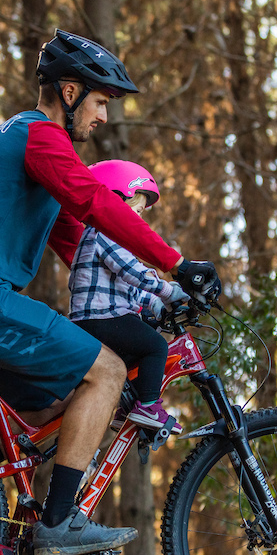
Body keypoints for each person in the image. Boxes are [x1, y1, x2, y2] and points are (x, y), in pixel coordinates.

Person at [0, 29, 221, 555]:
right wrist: (176, 263)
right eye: (100, 102)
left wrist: (158, 297)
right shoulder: (39, 135)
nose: (102, 118)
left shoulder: (27, 148)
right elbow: (96, 202)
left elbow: (81, 248)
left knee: (53, 406)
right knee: (108, 372)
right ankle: (58, 522)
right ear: (70, 93)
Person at [68, 160, 187, 434]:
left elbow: (127, 288)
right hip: (99, 319)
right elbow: (132, 271)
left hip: (99, 317)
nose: (138, 219)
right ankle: (147, 406)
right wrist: (168, 291)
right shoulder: (105, 232)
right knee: (155, 347)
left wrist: (155, 304)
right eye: (135, 210)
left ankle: (127, 409)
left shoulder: (100, 235)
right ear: (114, 200)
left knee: (134, 358)